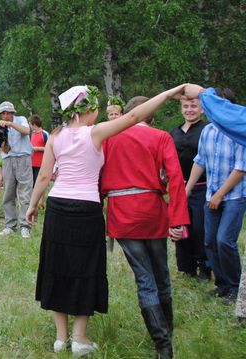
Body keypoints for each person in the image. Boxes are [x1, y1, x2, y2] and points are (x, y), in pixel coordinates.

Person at [26, 83, 186, 357]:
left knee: (56, 265)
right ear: (85, 110)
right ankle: (79, 338)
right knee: (85, 267)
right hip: (86, 208)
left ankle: (60, 338)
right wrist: (169, 94)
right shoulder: (96, 132)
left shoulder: (55, 136)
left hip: (57, 206)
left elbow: (43, 176)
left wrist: (31, 206)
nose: (98, 113)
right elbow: (135, 116)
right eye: (96, 108)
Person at [100, 96, 189, 359]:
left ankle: (163, 345)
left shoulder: (110, 137)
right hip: (152, 211)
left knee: (144, 278)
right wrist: (178, 219)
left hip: (122, 213)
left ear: (127, 114)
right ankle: (167, 333)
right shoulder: (161, 137)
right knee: (161, 274)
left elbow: (97, 175)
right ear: (150, 116)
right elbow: (175, 178)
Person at [185, 87, 246, 306]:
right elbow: (200, 161)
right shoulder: (208, 131)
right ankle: (222, 285)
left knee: (224, 241)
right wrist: (186, 190)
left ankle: (235, 287)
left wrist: (220, 194)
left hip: (234, 197)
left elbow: (241, 168)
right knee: (210, 242)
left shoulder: (238, 133)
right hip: (211, 195)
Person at [170, 95, 210, 281]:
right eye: (185, 106)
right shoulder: (174, 132)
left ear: (201, 109)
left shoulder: (206, 130)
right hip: (179, 186)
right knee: (180, 226)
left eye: (193, 106)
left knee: (199, 228)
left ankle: (205, 267)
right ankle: (187, 268)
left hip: (202, 186)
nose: (189, 110)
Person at [0, 101, 33, 238]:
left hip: (23, 158)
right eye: (3, 113)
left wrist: (10, 125)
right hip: (8, 159)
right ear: (1, 114)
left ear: (12, 113)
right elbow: (5, 150)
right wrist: (3, 137)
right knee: (8, 193)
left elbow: (27, 131)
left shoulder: (21, 120)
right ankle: (10, 226)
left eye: (8, 113)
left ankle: (25, 226)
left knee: (25, 192)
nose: (6, 115)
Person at [29, 115, 49, 209]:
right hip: (31, 162)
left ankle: (41, 202)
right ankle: (34, 202)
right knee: (33, 182)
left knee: (40, 182)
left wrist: (37, 148)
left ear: (34, 124)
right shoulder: (31, 134)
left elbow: (49, 148)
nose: (29, 126)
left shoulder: (44, 134)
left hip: (41, 162)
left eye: (30, 124)